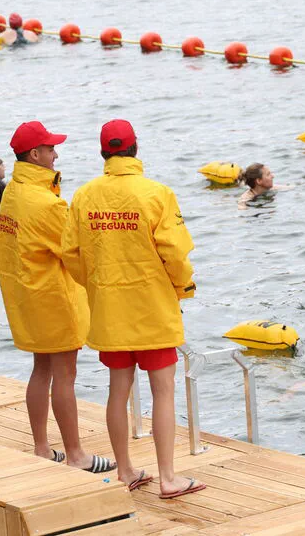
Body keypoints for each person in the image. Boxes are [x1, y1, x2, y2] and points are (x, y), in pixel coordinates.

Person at [61, 119, 204, 499]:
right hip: (152, 306)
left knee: (117, 390)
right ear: (136, 148)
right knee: (163, 392)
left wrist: (95, 283)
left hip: (109, 307)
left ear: (103, 152)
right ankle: (169, 477)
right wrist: (181, 288)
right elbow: (175, 253)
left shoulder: (84, 195)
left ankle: (125, 469)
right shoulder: (157, 194)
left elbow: (70, 253)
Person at [0, 121, 112, 473]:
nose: (56, 154)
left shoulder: (13, 191)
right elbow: (75, 251)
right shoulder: (45, 202)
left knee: (41, 368)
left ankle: (42, 448)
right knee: (64, 374)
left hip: (25, 292)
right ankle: (76, 455)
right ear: (35, 154)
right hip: (53, 296)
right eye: (50, 149)